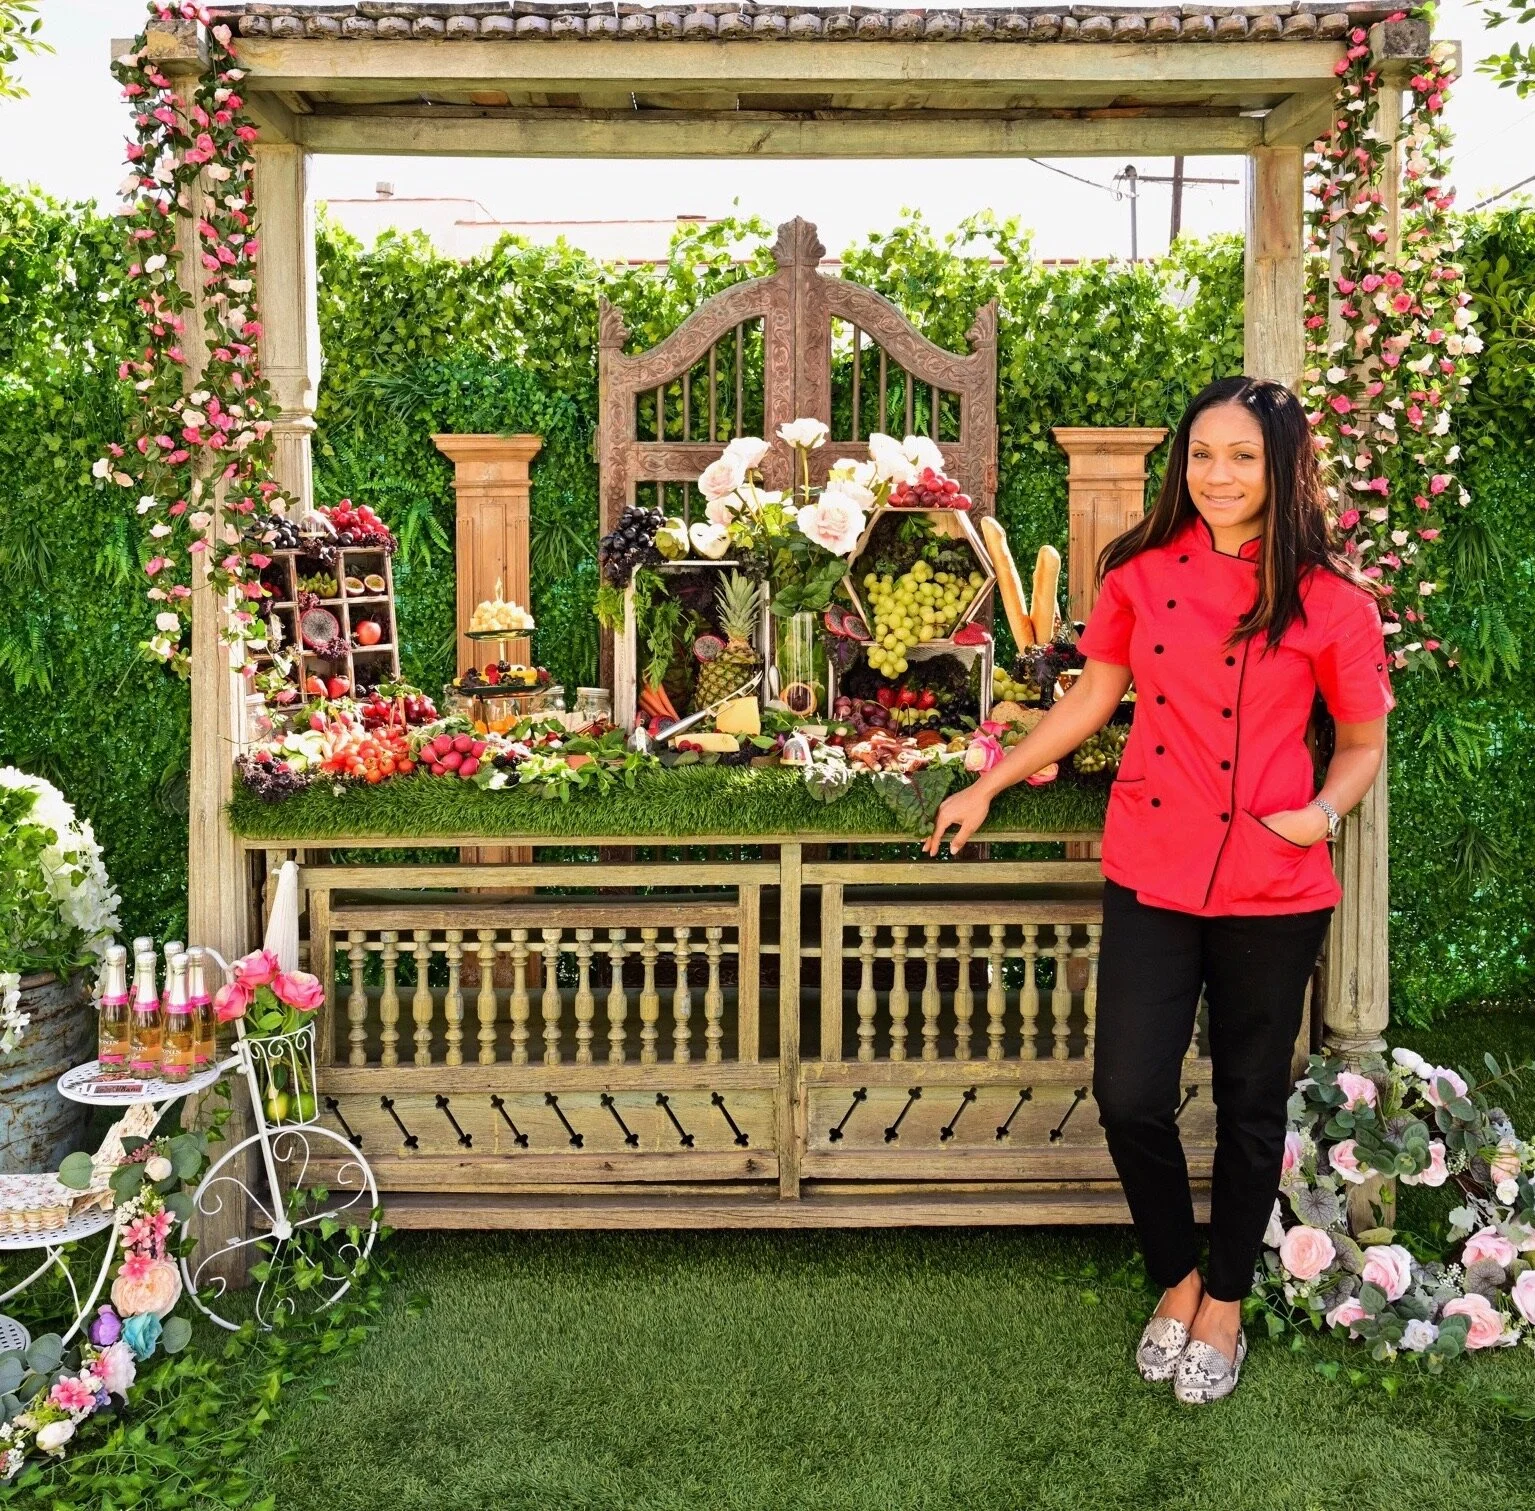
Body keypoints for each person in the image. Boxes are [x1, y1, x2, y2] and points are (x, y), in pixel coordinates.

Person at [925, 376, 1392, 1404]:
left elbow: (1360, 742)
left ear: (1281, 468)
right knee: (1129, 1091)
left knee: (1248, 1099)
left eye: (1241, 456)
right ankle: (1175, 1272)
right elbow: (1094, 695)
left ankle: (1222, 1299)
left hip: (1273, 879)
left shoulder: (1331, 600)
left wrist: (1317, 815)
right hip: (1154, 862)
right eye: (1201, 454)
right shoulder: (1139, 572)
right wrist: (990, 779)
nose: (1216, 475)